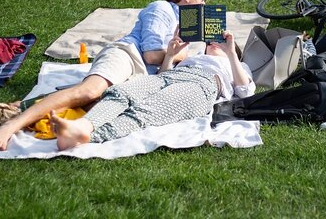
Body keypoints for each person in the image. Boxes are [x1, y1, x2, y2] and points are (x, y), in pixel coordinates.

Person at [0, 0, 207, 151]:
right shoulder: (162, 8)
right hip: (128, 56)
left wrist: (175, 55)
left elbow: (163, 65)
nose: (204, 2)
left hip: (145, 75)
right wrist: (179, 54)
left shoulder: (187, 28)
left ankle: (22, 107)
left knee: (100, 103)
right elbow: (150, 54)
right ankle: (10, 126)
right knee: (89, 92)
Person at [50, 31, 255, 151]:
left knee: (145, 111)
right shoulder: (194, 57)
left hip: (202, 85)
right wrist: (170, 56)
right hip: (169, 76)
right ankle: (85, 125)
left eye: (219, 43)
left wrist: (230, 54)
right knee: (122, 92)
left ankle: (87, 136)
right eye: (211, 42)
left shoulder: (234, 64)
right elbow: (161, 76)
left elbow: (245, 91)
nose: (213, 43)